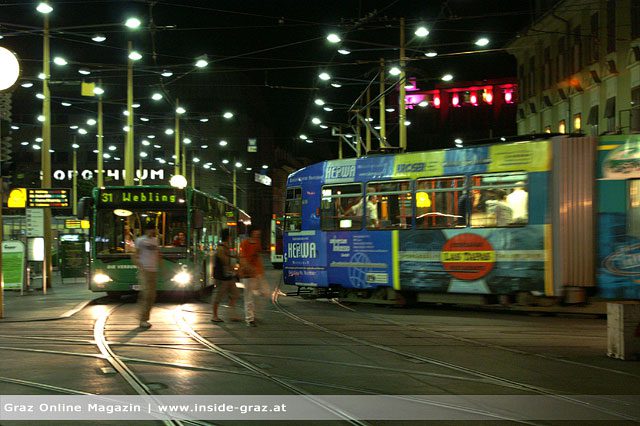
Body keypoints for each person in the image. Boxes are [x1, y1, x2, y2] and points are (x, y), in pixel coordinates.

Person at [239, 226, 270, 327]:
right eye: (256, 235)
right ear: (251, 234)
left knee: (263, 293)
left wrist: (259, 270)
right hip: (247, 274)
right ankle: (250, 319)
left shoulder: (257, 244)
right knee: (249, 297)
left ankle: (253, 314)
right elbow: (243, 258)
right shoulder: (245, 244)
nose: (258, 237)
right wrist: (250, 268)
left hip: (256, 274)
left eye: (259, 235)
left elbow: (258, 256)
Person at [131, 222, 160, 329]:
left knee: (152, 296)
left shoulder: (155, 240)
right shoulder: (140, 240)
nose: (153, 231)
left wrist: (161, 265)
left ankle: (145, 318)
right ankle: (142, 319)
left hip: (153, 270)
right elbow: (135, 255)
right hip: (144, 270)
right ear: (147, 230)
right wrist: (140, 266)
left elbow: (157, 253)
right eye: (151, 229)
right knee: (146, 294)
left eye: (154, 229)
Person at [211, 228, 240, 322]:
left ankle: (231, 314)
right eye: (230, 236)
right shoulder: (221, 248)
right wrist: (232, 264)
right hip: (221, 277)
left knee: (235, 294)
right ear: (228, 237)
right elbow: (225, 261)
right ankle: (214, 316)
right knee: (218, 296)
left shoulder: (227, 247)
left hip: (228, 276)